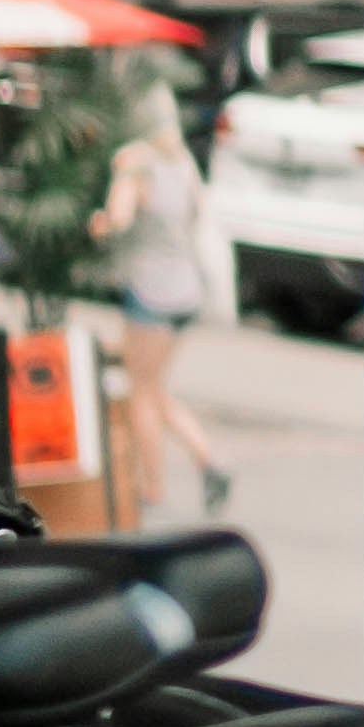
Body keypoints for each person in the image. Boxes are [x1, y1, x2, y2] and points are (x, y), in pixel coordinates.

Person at [90, 77, 229, 531]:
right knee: (155, 385)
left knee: (142, 393)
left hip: (151, 291)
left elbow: (121, 215)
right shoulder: (183, 162)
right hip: (186, 290)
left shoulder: (136, 162)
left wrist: (103, 224)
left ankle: (152, 488)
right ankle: (208, 462)